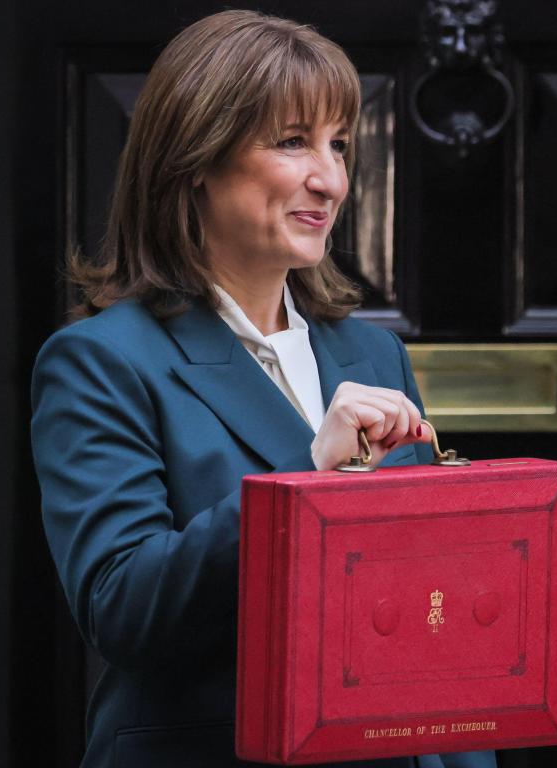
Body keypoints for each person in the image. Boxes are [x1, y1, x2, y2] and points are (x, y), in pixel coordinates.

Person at [31, 10, 495, 768]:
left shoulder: (373, 355)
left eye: (338, 144)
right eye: (292, 141)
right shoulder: (100, 362)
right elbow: (123, 611)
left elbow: (429, 618)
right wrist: (303, 480)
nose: (331, 179)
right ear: (196, 158)